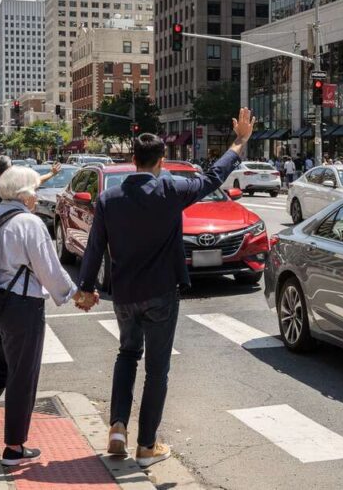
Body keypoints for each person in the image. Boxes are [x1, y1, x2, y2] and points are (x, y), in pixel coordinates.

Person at [76, 108, 254, 468]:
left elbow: (95, 247)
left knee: (127, 355)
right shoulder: (172, 189)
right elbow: (214, 176)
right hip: (161, 293)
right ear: (161, 160)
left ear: (131, 160)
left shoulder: (109, 199)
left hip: (124, 294)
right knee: (157, 369)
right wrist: (238, 142)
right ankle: (146, 445)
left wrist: (85, 288)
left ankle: (117, 426)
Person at [0, 166, 84, 467]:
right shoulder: (29, 223)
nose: (36, 197)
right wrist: (76, 294)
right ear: (23, 194)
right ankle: (14, 447)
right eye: (34, 191)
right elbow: (49, 269)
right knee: (22, 375)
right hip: (21, 306)